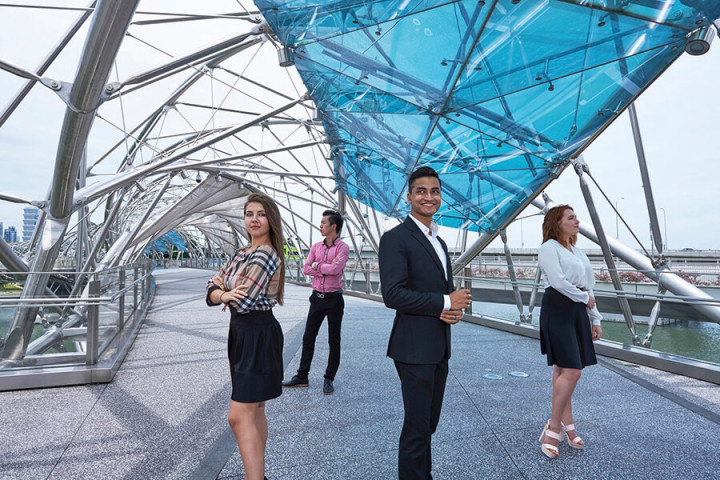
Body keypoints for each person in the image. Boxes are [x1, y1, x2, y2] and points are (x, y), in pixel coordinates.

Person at [378, 166, 472, 480]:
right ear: (409, 197)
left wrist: (452, 311)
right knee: (417, 428)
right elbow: (393, 295)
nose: (428, 197)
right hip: (413, 348)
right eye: (421, 191)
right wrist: (446, 302)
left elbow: (442, 294)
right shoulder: (395, 239)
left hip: (438, 345)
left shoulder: (439, 242)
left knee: (428, 423)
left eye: (434, 191)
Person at [206, 192, 286, 480]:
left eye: (261, 214)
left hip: (257, 334)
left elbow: (244, 301)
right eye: (249, 214)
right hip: (243, 333)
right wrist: (224, 292)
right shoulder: (242, 253)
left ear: (271, 219)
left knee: (238, 416)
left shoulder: (265, 254)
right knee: (255, 409)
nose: (254, 219)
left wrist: (222, 290)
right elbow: (211, 285)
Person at [537, 205, 603, 459]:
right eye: (571, 217)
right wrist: (584, 299)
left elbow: (588, 286)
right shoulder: (548, 248)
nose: (577, 221)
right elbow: (558, 282)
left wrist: (595, 318)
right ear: (557, 222)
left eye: (576, 217)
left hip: (577, 310)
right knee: (573, 371)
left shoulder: (578, 252)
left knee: (563, 370)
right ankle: (553, 428)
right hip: (558, 308)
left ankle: (568, 424)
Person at [283, 210, 349, 395]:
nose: (320, 226)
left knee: (334, 340)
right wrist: (324, 267)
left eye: (323, 223)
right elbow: (306, 269)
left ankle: (329, 378)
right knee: (308, 338)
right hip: (317, 298)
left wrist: (317, 265)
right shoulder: (315, 247)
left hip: (334, 299)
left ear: (333, 226)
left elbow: (335, 270)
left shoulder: (343, 248)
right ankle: (302, 376)